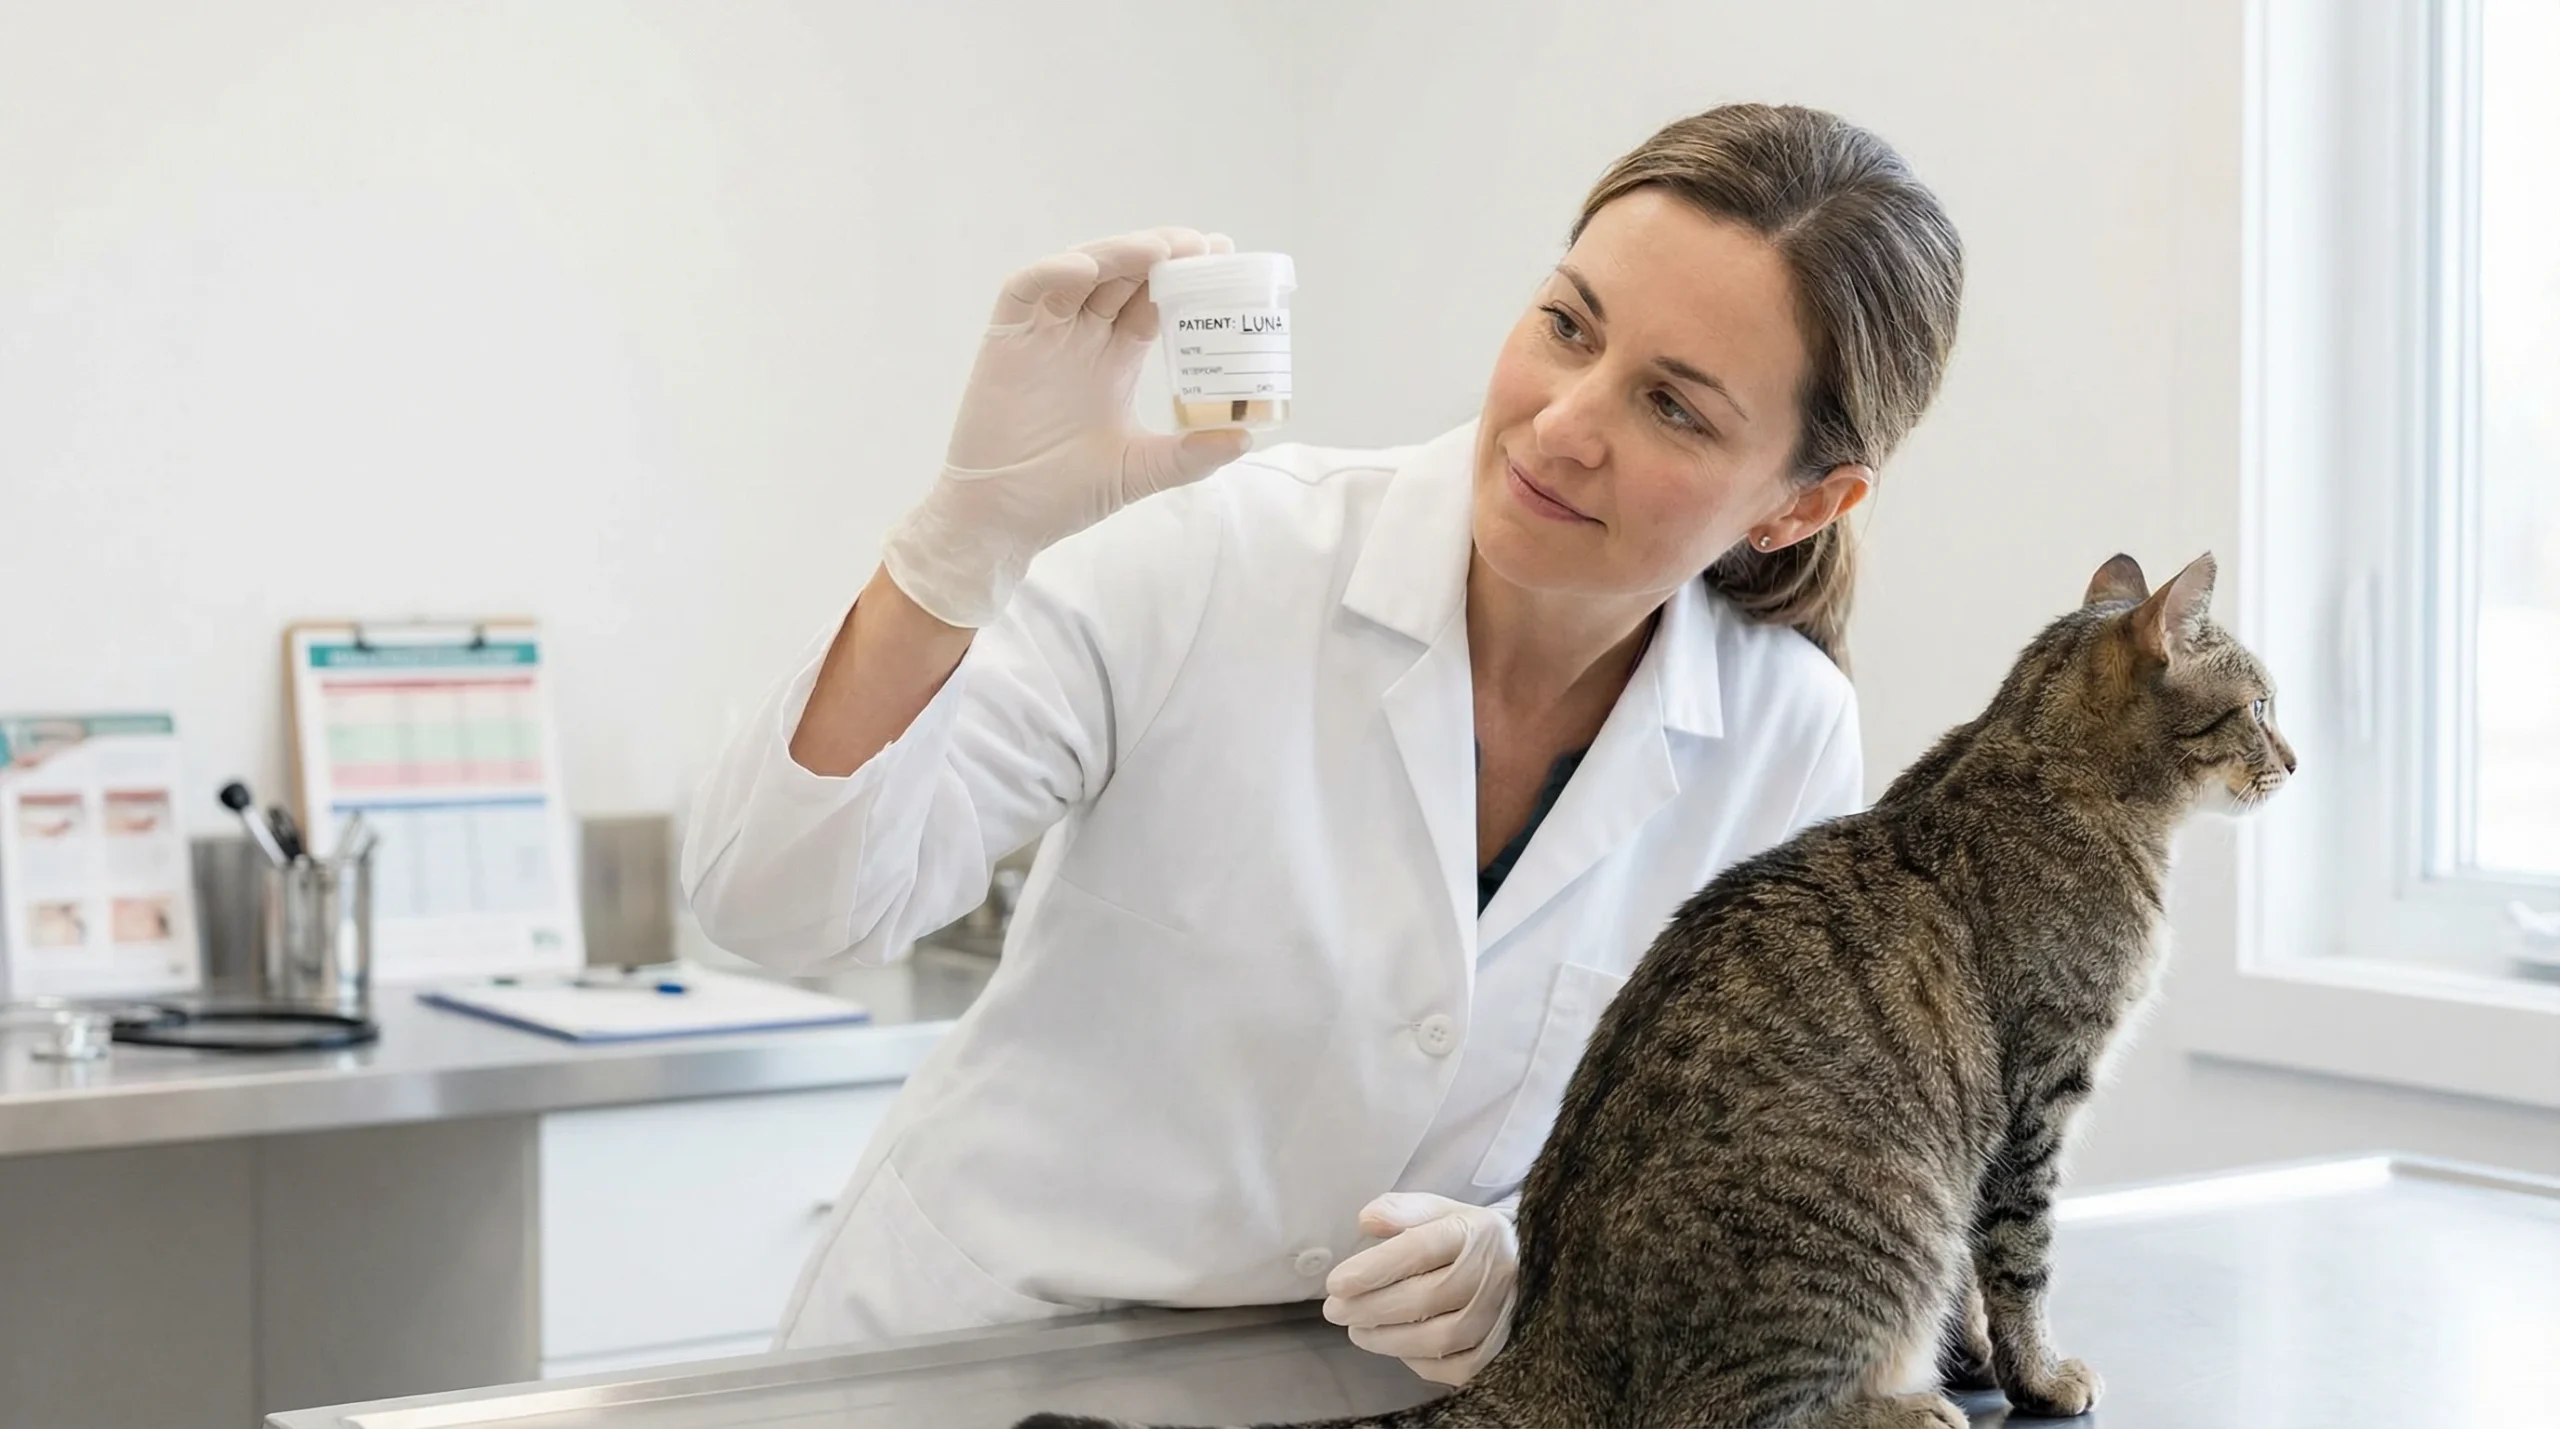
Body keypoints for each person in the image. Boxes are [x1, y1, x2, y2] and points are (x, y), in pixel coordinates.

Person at [682, 102, 1964, 1385]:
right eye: (1568, 326)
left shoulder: (1786, 735)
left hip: (1349, 1395)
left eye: (1672, 407)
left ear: (1805, 503)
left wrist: (1536, 1254)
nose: (1562, 424)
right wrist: (963, 541)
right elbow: (778, 904)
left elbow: (1713, 1161)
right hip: (985, 1364)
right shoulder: (1220, 550)